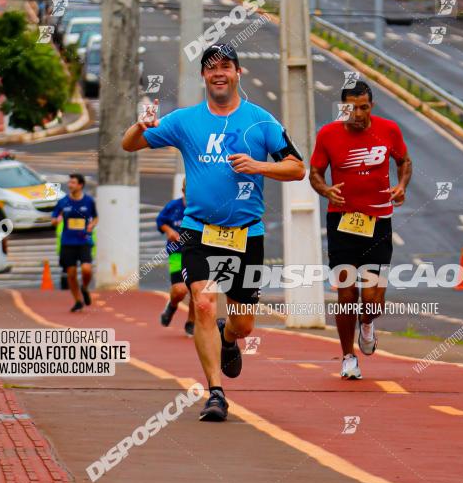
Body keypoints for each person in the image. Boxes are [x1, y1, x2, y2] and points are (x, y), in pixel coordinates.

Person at [122, 42, 305, 422]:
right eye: (211, 67)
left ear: (238, 73)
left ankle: (227, 337)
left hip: (246, 235)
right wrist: (139, 126)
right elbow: (129, 145)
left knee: (243, 323)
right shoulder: (186, 120)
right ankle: (215, 392)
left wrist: (258, 166)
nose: (218, 72)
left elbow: (297, 168)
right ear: (203, 76)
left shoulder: (261, 121)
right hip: (197, 232)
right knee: (202, 302)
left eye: (226, 66)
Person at [309, 80, 412, 379]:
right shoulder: (328, 134)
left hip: (379, 220)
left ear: (371, 106)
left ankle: (366, 324)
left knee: (371, 298)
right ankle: (347, 357)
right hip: (342, 221)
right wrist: (326, 190)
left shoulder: (388, 130)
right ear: (343, 107)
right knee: (346, 293)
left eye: (363, 107)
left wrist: (402, 185)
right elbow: (315, 172)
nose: (358, 114)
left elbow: (404, 160)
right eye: (351, 108)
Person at [51, 173, 98, 312]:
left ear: (80, 185)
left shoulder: (89, 201)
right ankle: (78, 300)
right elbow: (53, 218)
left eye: (73, 183)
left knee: (86, 269)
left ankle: (84, 288)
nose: (70, 185)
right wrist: (56, 221)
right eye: (69, 182)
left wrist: (92, 225)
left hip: (84, 241)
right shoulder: (63, 201)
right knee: (71, 274)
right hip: (68, 242)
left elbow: (95, 217)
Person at [157, 180, 195, 336]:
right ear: (183, 190)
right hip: (177, 253)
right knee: (180, 290)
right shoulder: (173, 206)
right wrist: (169, 231)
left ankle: (191, 322)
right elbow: (161, 221)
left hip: (198, 253)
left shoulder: (203, 206)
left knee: (197, 290)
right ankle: (172, 305)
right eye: (188, 189)